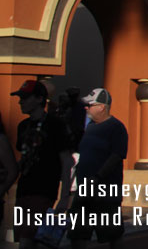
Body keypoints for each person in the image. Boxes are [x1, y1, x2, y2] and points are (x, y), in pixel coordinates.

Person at [12, 79, 72, 249]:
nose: (20, 102)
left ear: (39, 99)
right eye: (20, 98)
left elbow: (67, 160)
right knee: (27, 240)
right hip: (23, 190)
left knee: (28, 239)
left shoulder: (55, 125)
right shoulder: (22, 126)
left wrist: (64, 197)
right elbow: (22, 158)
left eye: (25, 97)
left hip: (44, 190)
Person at [68, 88, 128, 249]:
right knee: (77, 234)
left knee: (112, 235)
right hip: (84, 191)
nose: (86, 108)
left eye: (90, 105)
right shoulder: (90, 127)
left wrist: (98, 178)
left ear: (102, 107)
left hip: (105, 193)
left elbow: (116, 156)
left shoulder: (116, 127)